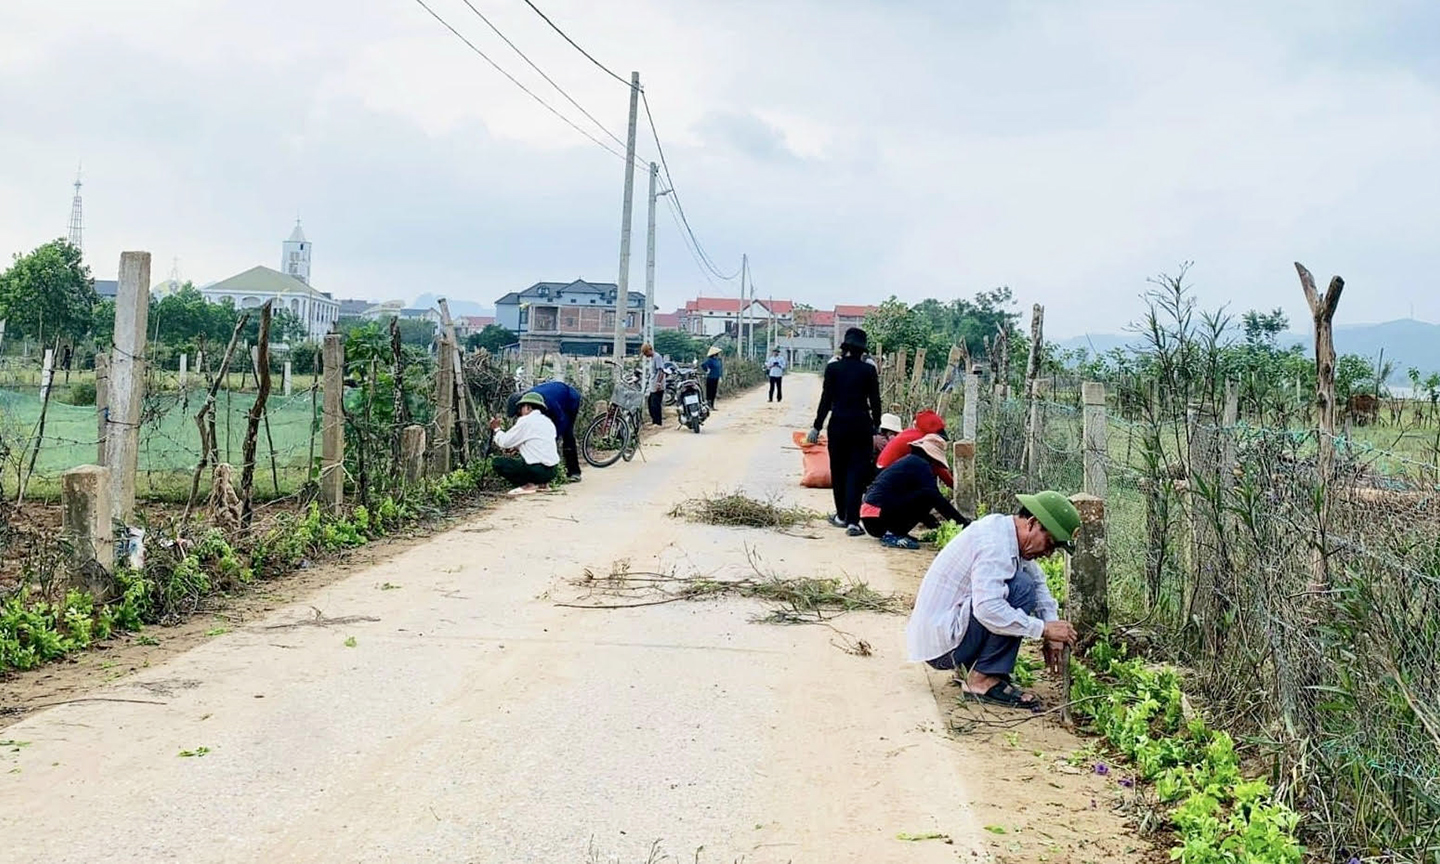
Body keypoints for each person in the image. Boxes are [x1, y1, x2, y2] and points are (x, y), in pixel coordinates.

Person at [904, 491, 1082, 708]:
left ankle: (977, 669)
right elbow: (987, 609)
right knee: (1020, 589)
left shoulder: (1005, 534)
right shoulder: (995, 545)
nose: (1048, 554)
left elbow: (1038, 582)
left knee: (1024, 584)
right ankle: (981, 680)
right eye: (1050, 543)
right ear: (1033, 523)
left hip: (946, 634)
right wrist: (1042, 628)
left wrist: (1052, 626)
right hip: (942, 648)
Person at [806, 327, 881, 536]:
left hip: (838, 425)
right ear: (862, 350)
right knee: (857, 472)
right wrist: (877, 426)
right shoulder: (868, 371)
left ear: (845, 348)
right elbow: (875, 400)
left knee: (838, 471)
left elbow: (826, 400)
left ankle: (841, 515)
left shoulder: (833, 369)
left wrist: (816, 426)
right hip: (861, 425)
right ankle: (854, 521)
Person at [860, 434, 968, 549]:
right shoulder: (920, 465)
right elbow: (935, 498)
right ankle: (892, 533)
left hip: (871, 518)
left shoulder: (910, 461)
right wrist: (963, 524)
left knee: (925, 494)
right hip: (878, 519)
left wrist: (931, 522)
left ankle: (896, 531)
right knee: (928, 495)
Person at [509, 379, 583, 483]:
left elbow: (561, 420)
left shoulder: (546, 402)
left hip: (569, 400)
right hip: (556, 402)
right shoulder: (531, 406)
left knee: (567, 433)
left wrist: (551, 438)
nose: (520, 417)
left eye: (518, 414)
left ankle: (574, 471)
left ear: (523, 406)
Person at [488, 392, 560, 495]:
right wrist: (517, 447)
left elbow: (504, 442)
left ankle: (529, 485)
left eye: (521, 407)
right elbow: (537, 442)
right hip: (552, 471)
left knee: (498, 462)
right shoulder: (548, 422)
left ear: (528, 407)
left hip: (536, 470)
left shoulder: (525, 420)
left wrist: (497, 429)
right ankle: (543, 484)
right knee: (530, 462)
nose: (520, 411)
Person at [878, 410, 954, 488]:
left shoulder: (911, 433)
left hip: (883, 472)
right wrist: (954, 485)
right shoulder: (922, 440)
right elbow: (938, 467)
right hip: (888, 475)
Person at [641, 343, 666, 426]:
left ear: (649, 350)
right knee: (650, 404)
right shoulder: (652, 358)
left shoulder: (657, 357)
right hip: (653, 385)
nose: (645, 355)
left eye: (646, 353)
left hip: (657, 385)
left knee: (655, 405)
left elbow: (661, 371)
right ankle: (654, 421)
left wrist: (658, 383)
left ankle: (658, 422)